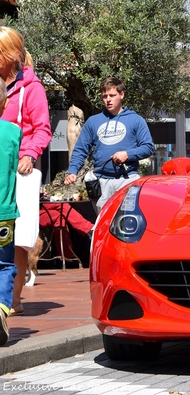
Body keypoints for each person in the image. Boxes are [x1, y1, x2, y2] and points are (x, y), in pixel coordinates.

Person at [0, 26, 52, 317]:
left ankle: (11, 301)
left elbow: (42, 129)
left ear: (10, 55)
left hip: (19, 170)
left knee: (17, 237)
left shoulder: (32, 88)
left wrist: (30, 155)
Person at [64, 77, 154, 213]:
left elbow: (148, 147)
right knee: (103, 224)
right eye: (105, 96)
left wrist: (127, 154)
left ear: (121, 94)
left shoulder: (136, 120)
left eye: (112, 95)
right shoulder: (93, 122)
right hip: (101, 182)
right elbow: (80, 149)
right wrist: (72, 171)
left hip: (128, 180)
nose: (108, 100)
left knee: (128, 224)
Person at [0, 78, 22, 344]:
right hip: (4, 214)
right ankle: (2, 308)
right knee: (5, 265)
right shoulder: (14, 132)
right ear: (4, 103)